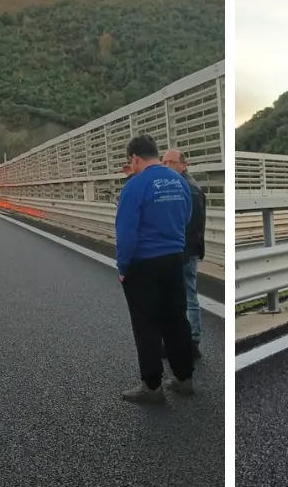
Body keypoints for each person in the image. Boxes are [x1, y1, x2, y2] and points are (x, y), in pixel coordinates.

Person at [115, 134, 196, 403]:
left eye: (131, 161)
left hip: (143, 265)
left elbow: (126, 233)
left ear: (135, 158)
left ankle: (152, 385)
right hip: (174, 259)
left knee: (146, 325)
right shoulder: (179, 182)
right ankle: (184, 378)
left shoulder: (135, 186)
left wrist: (123, 267)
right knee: (176, 320)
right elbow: (186, 218)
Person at [161, 149, 207, 360]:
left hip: (184, 252)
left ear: (184, 165)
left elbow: (193, 227)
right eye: (164, 162)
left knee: (188, 296)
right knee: (173, 298)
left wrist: (180, 251)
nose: (167, 166)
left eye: (172, 162)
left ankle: (192, 342)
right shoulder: (175, 187)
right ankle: (178, 342)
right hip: (175, 250)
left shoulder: (190, 190)